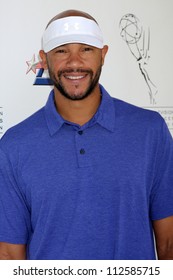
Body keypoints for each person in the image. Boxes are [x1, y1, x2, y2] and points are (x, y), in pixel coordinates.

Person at [0, 9, 173, 260]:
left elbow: (169, 243)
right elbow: (8, 256)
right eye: (61, 50)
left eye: (86, 49)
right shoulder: (14, 146)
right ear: (44, 60)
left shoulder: (150, 131)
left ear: (103, 55)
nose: (74, 62)